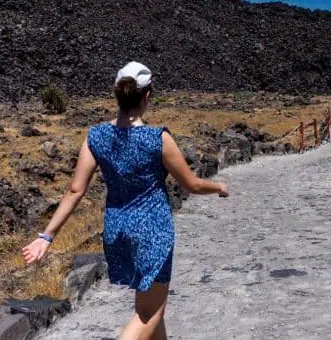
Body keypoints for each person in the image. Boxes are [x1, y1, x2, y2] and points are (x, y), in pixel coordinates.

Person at [22, 62, 229, 340]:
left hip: (117, 230)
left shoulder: (96, 136)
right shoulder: (158, 139)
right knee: (149, 314)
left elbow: (75, 190)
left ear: (118, 95)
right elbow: (191, 184)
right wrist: (218, 186)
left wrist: (46, 236)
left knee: (148, 307)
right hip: (152, 231)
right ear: (147, 96)